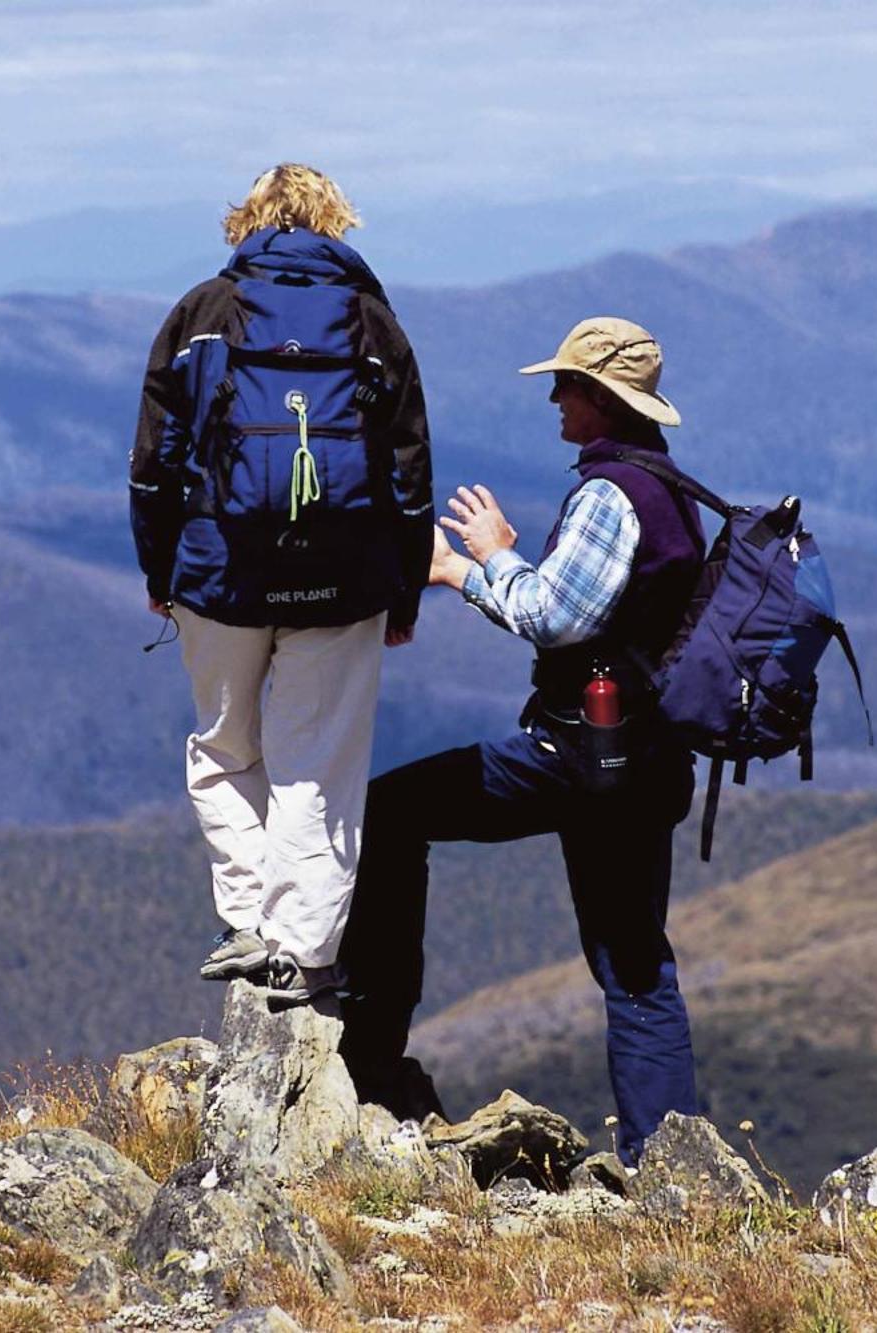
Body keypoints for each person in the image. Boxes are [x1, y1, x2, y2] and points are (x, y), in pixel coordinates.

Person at [339, 316, 705, 1164]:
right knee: (637, 966)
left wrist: (471, 565)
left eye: (568, 384)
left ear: (602, 399)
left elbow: (554, 617)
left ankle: (370, 1047)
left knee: (390, 814)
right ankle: (672, 1164)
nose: (553, 398)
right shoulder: (673, 488)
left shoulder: (614, 494)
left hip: (581, 756)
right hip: (646, 760)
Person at [131, 165, 434, 1003]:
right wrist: (403, 588)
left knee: (223, 744)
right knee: (320, 764)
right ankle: (300, 952)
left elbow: (154, 463)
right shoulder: (372, 320)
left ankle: (244, 924)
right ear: (337, 222)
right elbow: (410, 472)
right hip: (345, 581)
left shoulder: (202, 314)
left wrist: (161, 569)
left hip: (219, 573)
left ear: (247, 221)